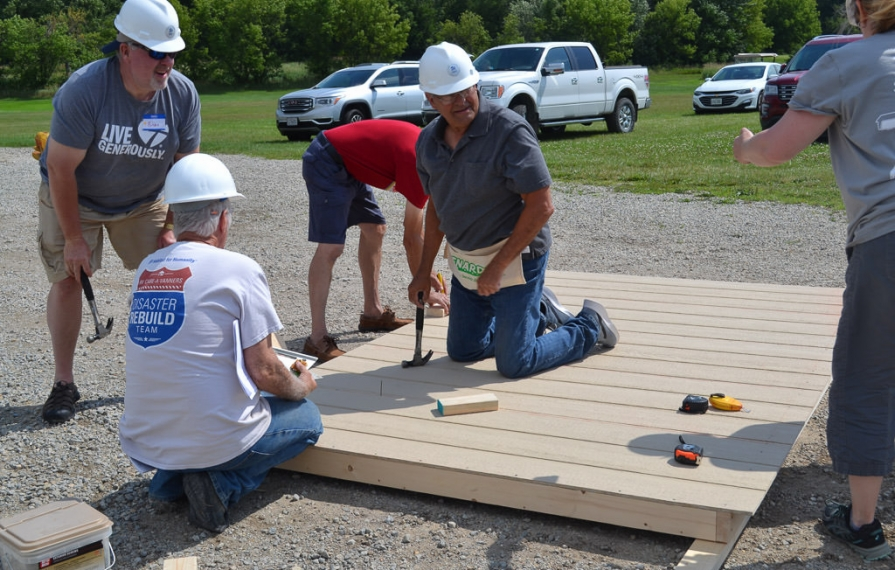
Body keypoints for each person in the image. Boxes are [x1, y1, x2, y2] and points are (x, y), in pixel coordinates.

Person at [733, 0, 895, 560]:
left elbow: (777, 150)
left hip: (887, 238)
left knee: (866, 375)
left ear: (858, 9)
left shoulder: (845, 64)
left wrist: (745, 148)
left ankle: (863, 524)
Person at [119, 154, 322, 534]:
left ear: (175, 216)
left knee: (195, 403)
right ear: (221, 216)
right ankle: (223, 483)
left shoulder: (147, 268)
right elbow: (263, 371)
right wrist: (299, 388)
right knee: (307, 419)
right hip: (209, 438)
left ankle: (169, 484)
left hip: (144, 439)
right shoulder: (238, 268)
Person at [408, 42, 619, 379]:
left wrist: (497, 267)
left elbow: (541, 206)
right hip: (467, 261)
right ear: (431, 99)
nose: (462, 100)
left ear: (476, 85)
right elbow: (437, 207)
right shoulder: (427, 142)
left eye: (467, 89)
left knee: (515, 363)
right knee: (463, 351)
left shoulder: (510, 132)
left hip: (516, 258)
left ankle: (589, 325)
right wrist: (423, 271)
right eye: (449, 95)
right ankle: (537, 312)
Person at [37, 0, 201, 423]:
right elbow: (59, 167)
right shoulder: (85, 89)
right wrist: (75, 240)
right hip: (76, 196)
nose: (166, 63)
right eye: (155, 52)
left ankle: (168, 375)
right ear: (124, 49)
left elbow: (186, 170)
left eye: (172, 53)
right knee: (69, 279)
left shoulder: (181, 95)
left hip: (144, 199)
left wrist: (170, 227)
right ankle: (63, 383)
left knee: (170, 275)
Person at [301, 119, 449, 362]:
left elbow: (421, 229)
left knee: (375, 229)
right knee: (332, 248)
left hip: (349, 164)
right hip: (326, 160)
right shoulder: (420, 165)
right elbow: (412, 236)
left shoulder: (431, 155)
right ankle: (316, 339)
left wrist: (427, 271)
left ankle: (373, 313)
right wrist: (423, 278)